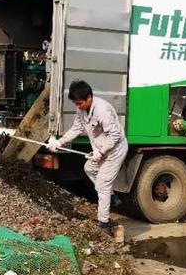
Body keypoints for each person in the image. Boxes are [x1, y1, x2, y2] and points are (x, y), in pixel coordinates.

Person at [49, 80, 128, 234]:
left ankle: (104, 223)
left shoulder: (102, 110)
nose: (78, 107)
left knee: (102, 185)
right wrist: (60, 142)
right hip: (101, 149)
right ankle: (111, 197)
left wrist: (101, 152)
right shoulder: (82, 110)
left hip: (115, 149)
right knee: (89, 168)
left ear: (89, 97)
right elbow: (76, 128)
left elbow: (115, 135)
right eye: (76, 104)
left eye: (79, 103)